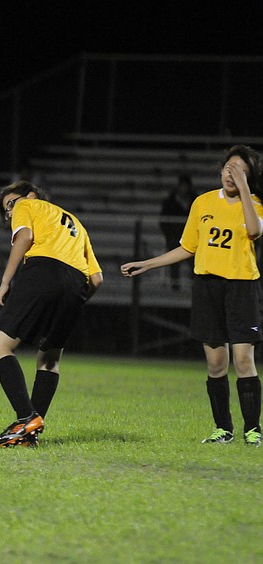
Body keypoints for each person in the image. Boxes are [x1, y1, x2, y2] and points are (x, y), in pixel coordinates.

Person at [122, 145, 263, 447]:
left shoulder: (254, 204)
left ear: (249, 176)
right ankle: (222, 429)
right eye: (228, 167)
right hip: (207, 287)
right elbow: (188, 247)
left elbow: (254, 231)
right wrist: (147, 263)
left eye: (239, 169)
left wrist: (245, 190)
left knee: (242, 359)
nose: (230, 173)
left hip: (241, 287)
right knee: (215, 364)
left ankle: (253, 429)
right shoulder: (203, 202)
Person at [0, 181, 103, 447]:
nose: (9, 212)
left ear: (30, 195)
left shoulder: (27, 205)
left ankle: (26, 417)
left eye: (10, 204)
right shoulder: (76, 223)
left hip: (43, 271)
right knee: (50, 359)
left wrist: (5, 281)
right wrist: (74, 300)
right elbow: (97, 278)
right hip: (77, 283)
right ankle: (30, 433)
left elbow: (25, 238)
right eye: (6, 211)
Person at [159, 174, 196, 290]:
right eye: (182, 186)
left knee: (194, 265)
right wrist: (170, 234)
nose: (184, 189)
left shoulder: (197, 201)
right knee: (173, 264)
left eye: (186, 186)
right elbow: (163, 220)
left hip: (192, 239)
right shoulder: (170, 202)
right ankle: (175, 288)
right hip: (174, 238)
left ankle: (195, 289)